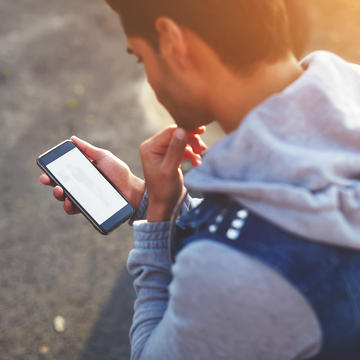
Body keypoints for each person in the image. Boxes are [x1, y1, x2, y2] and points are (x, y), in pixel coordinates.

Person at [40, 0, 360, 359]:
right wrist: (149, 198)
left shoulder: (233, 273)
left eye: (141, 58)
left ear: (174, 43)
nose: (149, 75)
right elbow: (271, 220)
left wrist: (157, 221)